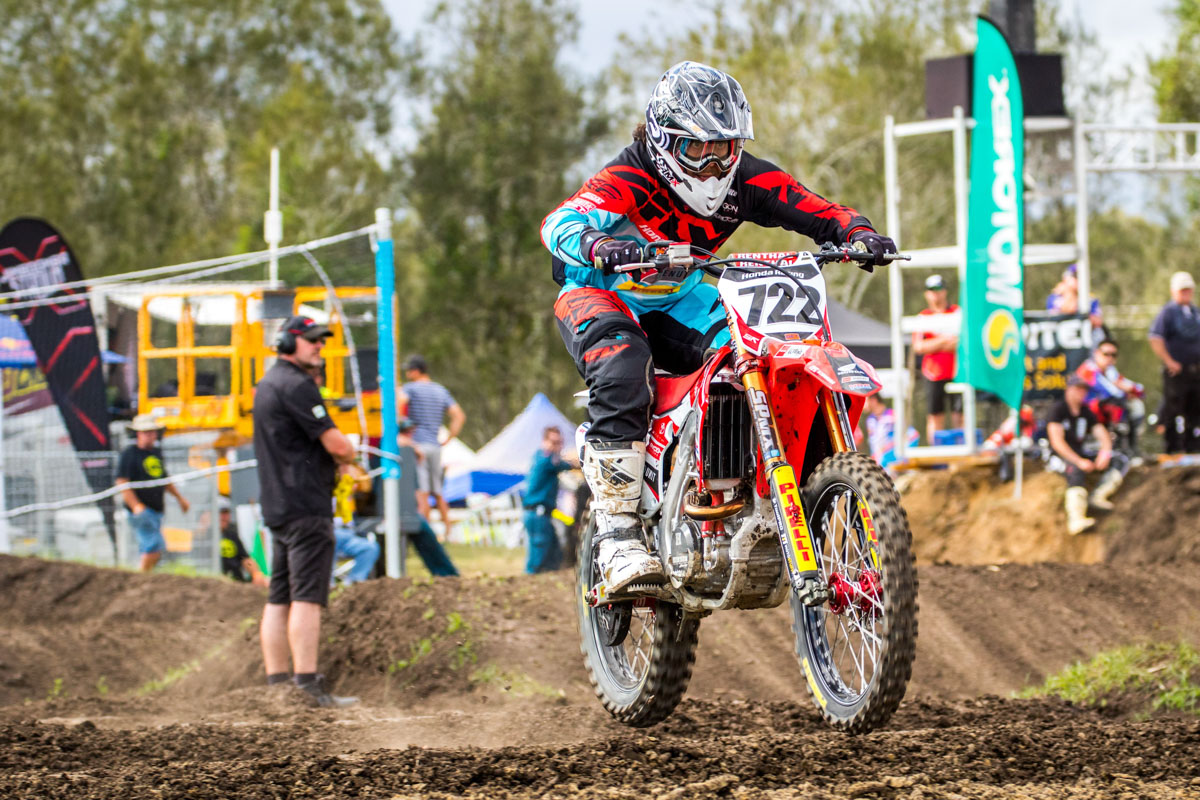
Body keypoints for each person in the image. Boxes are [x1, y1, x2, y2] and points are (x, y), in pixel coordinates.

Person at [540, 61, 896, 594]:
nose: (712, 166)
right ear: (664, 142)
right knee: (622, 364)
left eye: (723, 149)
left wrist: (858, 232)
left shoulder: (747, 179)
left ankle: (756, 491)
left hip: (681, 296)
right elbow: (560, 221)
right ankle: (617, 533)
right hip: (600, 293)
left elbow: (816, 208)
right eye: (696, 149)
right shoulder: (631, 174)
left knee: (757, 356)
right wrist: (600, 244)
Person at [253, 315, 362, 707]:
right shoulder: (298, 385)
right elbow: (338, 445)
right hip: (305, 506)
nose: (320, 346)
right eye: (312, 340)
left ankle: (278, 686)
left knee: (279, 597)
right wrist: (350, 455)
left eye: (321, 340)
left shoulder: (267, 384)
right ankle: (306, 687)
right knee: (307, 597)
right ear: (288, 343)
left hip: (279, 505)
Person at [1045, 375, 1128, 535]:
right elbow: (1057, 442)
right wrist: (1079, 461)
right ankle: (1076, 519)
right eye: (1078, 389)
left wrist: (1105, 453)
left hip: (1080, 453)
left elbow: (1102, 435)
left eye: (1084, 390)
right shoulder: (1058, 409)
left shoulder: (1085, 411)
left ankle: (1099, 495)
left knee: (1120, 459)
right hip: (1058, 457)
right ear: (1069, 389)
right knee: (1075, 470)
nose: (1081, 393)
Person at [401, 354, 466, 537]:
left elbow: (400, 403)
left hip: (417, 446)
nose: (407, 374)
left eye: (408, 370)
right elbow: (459, 416)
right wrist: (449, 438)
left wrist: (401, 428)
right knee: (437, 491)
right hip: (435, 446)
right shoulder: (440, 390)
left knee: (421, 492)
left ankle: (425, 534)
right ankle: (448, 531)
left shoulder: (410, 388)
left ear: (415, 371)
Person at [116, 414, 190, 572]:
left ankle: (144, 576)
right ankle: (141, 577)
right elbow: (122, 482)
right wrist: (136, 505)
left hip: (156, 510)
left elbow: (164, 479)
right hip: (142, 511)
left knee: (152, 547)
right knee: (153, 546)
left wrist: (180, 499)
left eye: (152, 431)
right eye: (146, 432)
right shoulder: (129, 454)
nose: (150, 435)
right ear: (138, 433)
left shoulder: (156, 452)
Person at [1148, 271, 1200, 454]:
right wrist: (1169, 361)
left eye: (1188, 290)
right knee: (1173, 409)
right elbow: (1155, 337)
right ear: (1174, 291)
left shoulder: (1195, 312)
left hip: (1195, 371)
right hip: (1176, 372)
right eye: (1182, 290)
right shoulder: (1168, 312)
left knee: (1195, 410)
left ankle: (1193, 449)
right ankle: (1172, 450)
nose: (1186, 293)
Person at [911, 274, 961, 444]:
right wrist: (944, 340)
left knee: (959, 414)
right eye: (932, 290)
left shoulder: (956, 312)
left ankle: (961, 449)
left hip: (956, 372)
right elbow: (919, 347)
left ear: (945, 291)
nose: (936, 294)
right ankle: (936, 451)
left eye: (939, 290)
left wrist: (935, 344)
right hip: (933, 374)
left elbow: (962, 342)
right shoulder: (923, 317)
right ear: (927, 294)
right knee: (935, 416)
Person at [1075, 339, 1144, 457]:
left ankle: (1130, 449)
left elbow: (1140, 390)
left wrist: (1130, 390)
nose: (1110, 358)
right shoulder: (1088, 369)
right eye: (1106, 354)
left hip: (1105, 413)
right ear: (1096, 353)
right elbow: (1111, 392)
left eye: (1113, 355)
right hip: (1087, 414)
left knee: (1136, 405)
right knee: (1117, 404)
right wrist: (1126, 390)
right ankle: (1117, 448)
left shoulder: (1111, 371)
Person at [523, 426, 578, 574]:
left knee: (554, 553)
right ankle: (530, 579)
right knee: (538, 554)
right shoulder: (546, 458)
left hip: (541, 513)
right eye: (554, 442)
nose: (557, 446)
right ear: (544, 441)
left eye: (559, 442)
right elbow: (564, 464)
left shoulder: (542, 457)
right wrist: (580, 463)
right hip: (537, 512)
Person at [218, 499, 269, 587]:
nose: (224, 517)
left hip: (236, 582)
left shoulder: (232, 534)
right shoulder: (205, 539)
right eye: (221, 513)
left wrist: (256, 573)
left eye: (226, 513)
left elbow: (245, 559)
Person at [862, 394, 918, 471]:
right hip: (879, 466)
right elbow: (873, 443)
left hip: (894, 465)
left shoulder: (892, 415)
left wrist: (890, 450)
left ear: (873, 400)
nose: (863, 404)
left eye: (865, 400)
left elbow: (913, 435)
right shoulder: (870, 420)